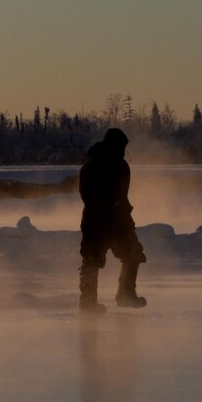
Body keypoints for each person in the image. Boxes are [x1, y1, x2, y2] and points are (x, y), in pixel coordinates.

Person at [78, 126, 145, 312]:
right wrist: (108, 209)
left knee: (133, 254)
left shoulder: (119, 166)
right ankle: (88, 302)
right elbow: (88, 195)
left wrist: (120, 213)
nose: (124, 151)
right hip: (97, 222)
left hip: (117, 222)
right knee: (92, 260)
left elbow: (122, 195)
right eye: (121, 146)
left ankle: (125, 294)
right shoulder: (92, 167)